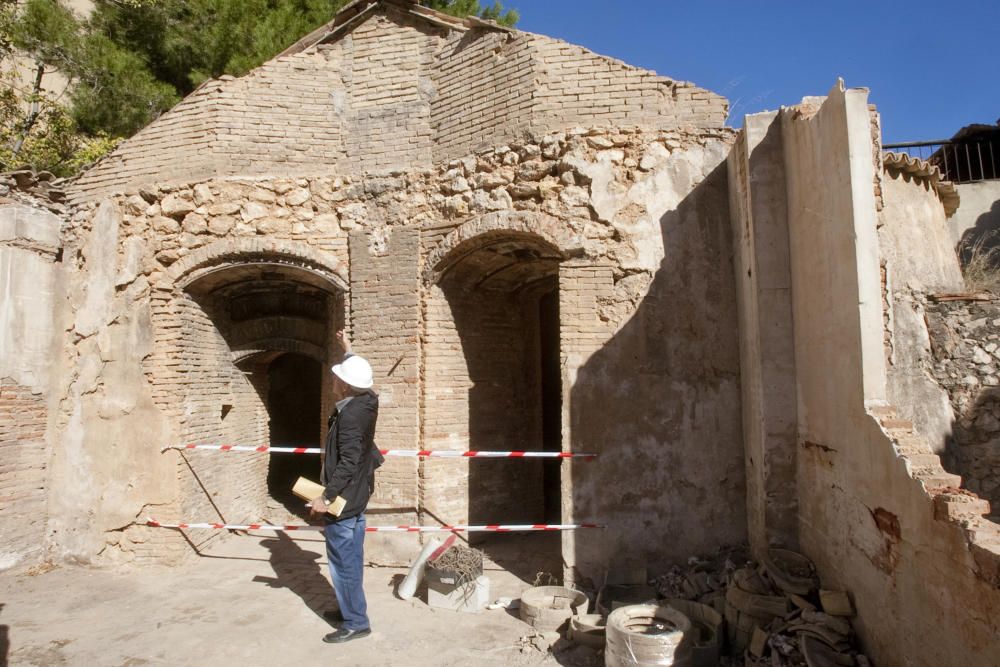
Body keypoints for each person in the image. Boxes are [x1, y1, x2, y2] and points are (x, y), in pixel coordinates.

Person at [310, 330, 381, 644]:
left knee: (343, 561)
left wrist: (325, 497)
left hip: (345, 499)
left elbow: (348, 461)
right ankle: (351, 608)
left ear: (346, 385)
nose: (333, 380)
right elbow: (360, 377)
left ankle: (355, 622)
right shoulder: (368, 400)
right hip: (359, 494)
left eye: (337, 377)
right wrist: (348, 350)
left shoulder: (351, 415)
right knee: (350, 557)